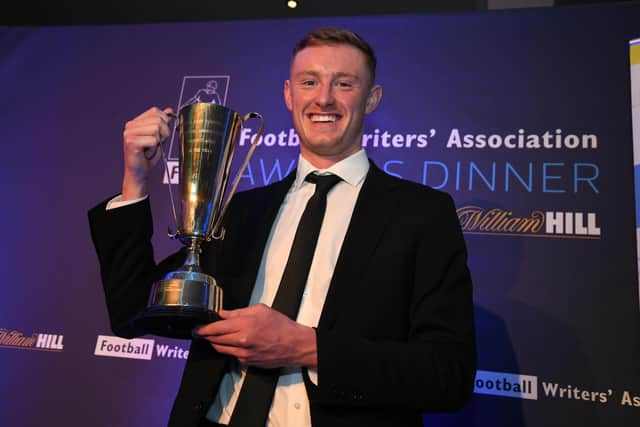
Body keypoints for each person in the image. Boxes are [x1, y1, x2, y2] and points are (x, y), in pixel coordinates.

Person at [89, 27, 476, 427]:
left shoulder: (422, 213)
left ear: (371, 98)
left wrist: (309, 348)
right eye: (310, 82)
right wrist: (134, 179)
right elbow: (132, 309)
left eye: (343, 84)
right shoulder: (242, 211)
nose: (323, 98)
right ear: (289, 94)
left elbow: (448, 374)